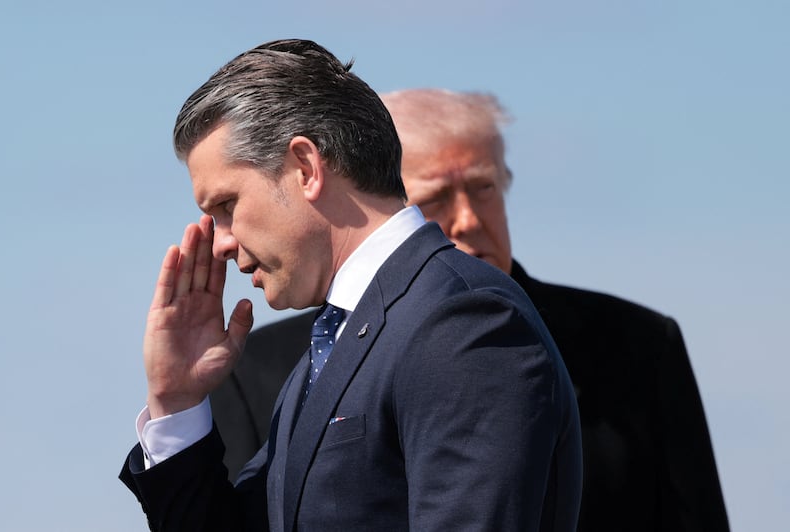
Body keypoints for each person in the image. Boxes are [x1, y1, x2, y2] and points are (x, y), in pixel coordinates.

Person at [211, 88, 730, 532]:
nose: (467, 218)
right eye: (437, 198)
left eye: (483, 189)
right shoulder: (273, 365)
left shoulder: (637, 342)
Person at [120, 41, 582, 532]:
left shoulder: (462, 321)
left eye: (227, 206)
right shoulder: (335, 343)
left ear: (305, 167)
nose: (221, 243)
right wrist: (177, 403)